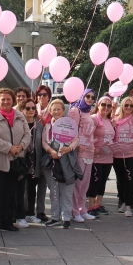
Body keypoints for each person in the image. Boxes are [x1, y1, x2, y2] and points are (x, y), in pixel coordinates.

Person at [0, 88, 31, 234]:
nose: (6, 101)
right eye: (3, 99)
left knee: (10, 193)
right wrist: (9, 148)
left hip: (15, 160)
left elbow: (27, 134)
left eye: (8, 99)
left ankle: (7, 221)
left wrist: (21, 147)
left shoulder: (19, 115)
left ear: (13, 100)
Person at [43, 99, 82, 228]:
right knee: (54, 191)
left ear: (63, 110)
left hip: (68, 161)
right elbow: (44, 141)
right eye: (54, 109)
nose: (56, 111)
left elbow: (76, 140)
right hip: (53, 161)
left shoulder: (69, 124)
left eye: (59, 109)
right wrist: (50, 150)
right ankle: (55, 217)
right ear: (50, 111)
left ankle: (66, 218)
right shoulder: (48, 126)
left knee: (67, 191)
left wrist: (69, 148)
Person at [112, 96, 133, 217]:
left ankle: (128, 206)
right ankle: (122, 200)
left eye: (131, 106)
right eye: (126, 105)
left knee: (130, 179)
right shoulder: (115, 120)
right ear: (122, 106)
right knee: (120, 180)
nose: (128, 107)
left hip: (132, 154)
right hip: (117, 155)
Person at [68, 89, 97, 222]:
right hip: (79, 151)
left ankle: (82, 209)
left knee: (85, 183)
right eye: (88, 96)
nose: (90, 99)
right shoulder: (76, 110)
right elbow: (71, 130)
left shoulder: (89, 112)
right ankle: (75, 211)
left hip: (90, 151)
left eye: (92, 97)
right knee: (78, 183)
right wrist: (76, 145)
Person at [19, 98, 48, 223]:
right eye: (28, 108)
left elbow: (42, 143)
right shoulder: (19, 123)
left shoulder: (39, 124)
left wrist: (41, 163)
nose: (31, 110)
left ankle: (30, 213)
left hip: (35, 161)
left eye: (33, 108)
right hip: (22, 160)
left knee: (31, 188)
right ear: (22, 110)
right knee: (22, 189)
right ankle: (21, 215)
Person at [87, 96, 116, 216]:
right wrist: (93, 149)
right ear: (98, 105)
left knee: (103, 181)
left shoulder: (110, 121)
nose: (106, 108)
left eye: (109, 106)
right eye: (103, 105)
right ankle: (90, 206)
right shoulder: (93, 119)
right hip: (97, 156)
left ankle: (98, 204)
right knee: (95, 181)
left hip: (108, 156)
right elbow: (87, 135)